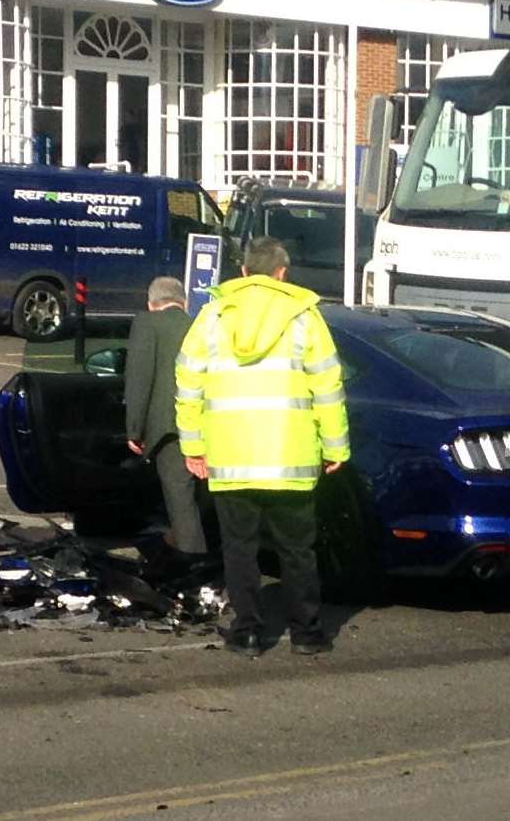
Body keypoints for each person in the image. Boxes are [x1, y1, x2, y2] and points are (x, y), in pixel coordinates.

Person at [174, 236, 349, 658]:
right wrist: (335, 448)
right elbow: (328, 386)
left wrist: (194, 446)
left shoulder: (212, 316)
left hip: (230, 459)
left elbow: (188, 383)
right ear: (282, 272)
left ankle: (248, 632)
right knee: (297, 551)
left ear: (244, 271)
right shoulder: (305, 318)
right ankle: (306, 632)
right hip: (290, 459)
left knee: (239, 551)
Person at [125, 276, 207, 555]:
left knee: (180, 498)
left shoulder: (147, 323)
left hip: (170, 428)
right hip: (210, 422)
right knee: (209, 500)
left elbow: (139, 378)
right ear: (183, 303)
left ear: (151, 304)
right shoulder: (200, 325)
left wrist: (134, 429)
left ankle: (193, 561)